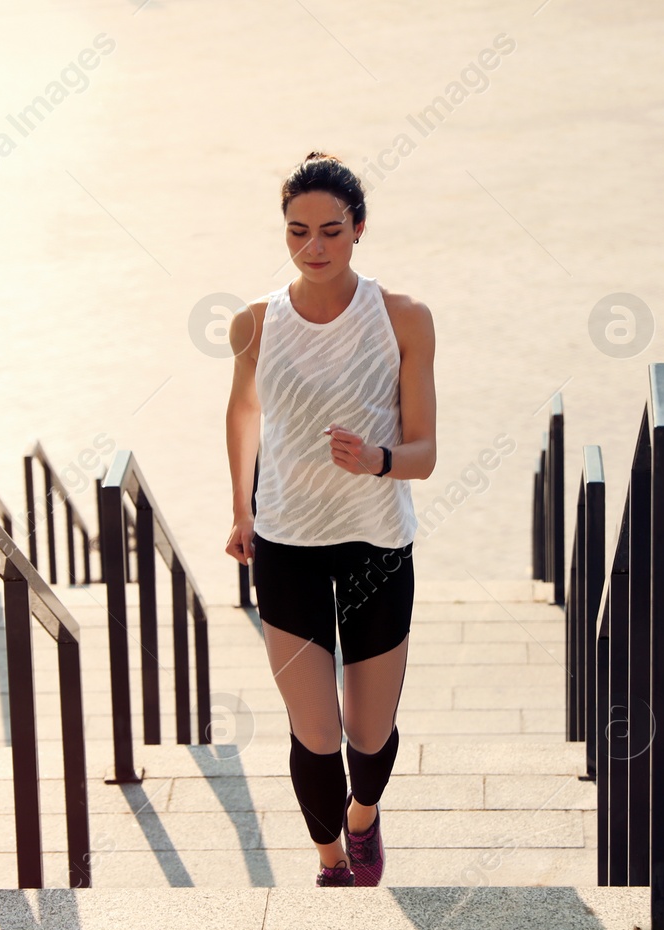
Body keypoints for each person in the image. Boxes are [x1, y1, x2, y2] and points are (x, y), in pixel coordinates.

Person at [223, 151, 437, 887]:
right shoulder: (255, 323)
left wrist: (377, 458)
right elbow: (244, 413)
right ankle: (328, 861)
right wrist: (240, 509)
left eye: (330, 231)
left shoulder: (403, 318)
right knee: (315, 732)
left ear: (359, 229)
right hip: (288, 546)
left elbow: (426, 452)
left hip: (378, 543)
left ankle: (362, 815)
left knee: (368, 734)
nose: (313, 247)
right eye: (297, 232)